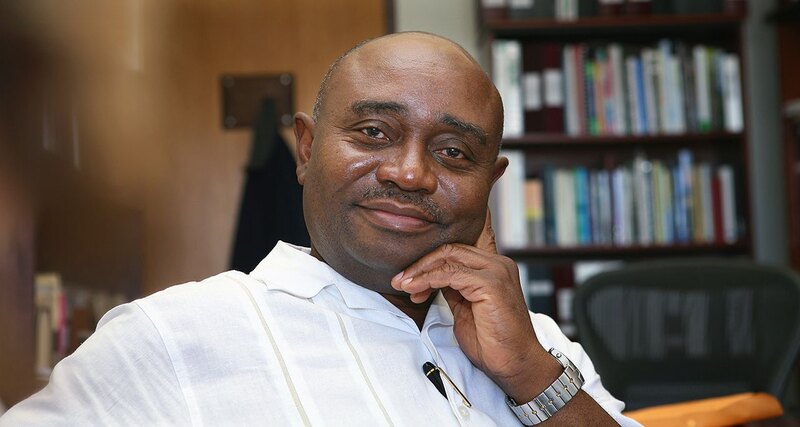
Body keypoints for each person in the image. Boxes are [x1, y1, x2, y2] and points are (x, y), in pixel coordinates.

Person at [1, 32, 639, 426]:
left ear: (489, 181)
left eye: (453, 152)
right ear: (306, 150)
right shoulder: (170, 339)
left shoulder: (537, 343)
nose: (410, 173)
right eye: (374, 132)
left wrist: (528, 374)